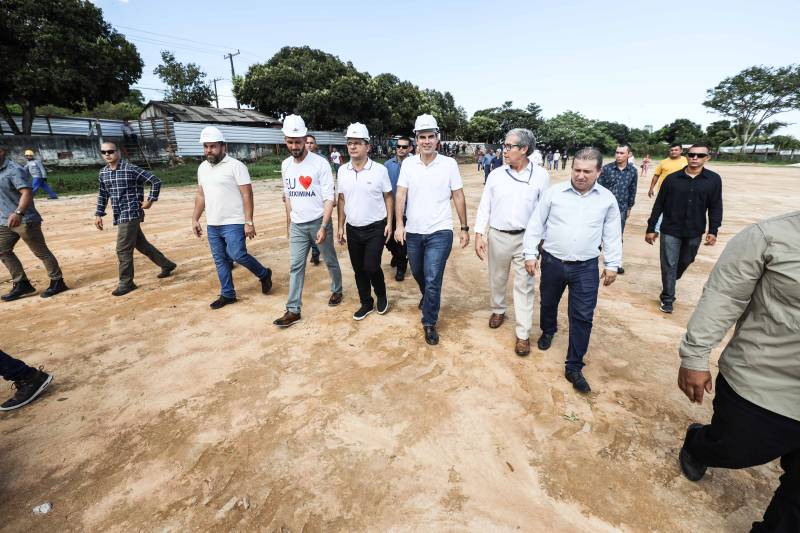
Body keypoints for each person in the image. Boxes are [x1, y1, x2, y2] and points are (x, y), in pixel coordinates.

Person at [676, 211, 800, 532]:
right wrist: (695, 355)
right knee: (733, 448)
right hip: (763, 383)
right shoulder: (768, 237)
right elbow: (724, 296)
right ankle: (698, 443)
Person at [523, 147, 622, 394]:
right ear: (571, 169)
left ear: (599, 171)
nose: (580, 175)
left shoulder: (607, 199)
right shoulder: (554, 194)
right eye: (577, 170)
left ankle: (574, 365)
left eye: (587, 171)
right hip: (553, 262)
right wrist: (530, 253)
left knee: (582, 316)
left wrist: (611, 264)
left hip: (586, 267)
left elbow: (612, 234)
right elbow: (536, 224)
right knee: (548, 302)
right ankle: (548, 330)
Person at [395, 114, 469, 345]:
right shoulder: (408, 164)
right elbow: (401, 194)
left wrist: (464, 227)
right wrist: (399, 224)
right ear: (417, 140)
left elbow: (457, 195)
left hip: (440, 230)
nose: (427, 141)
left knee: (433, 276)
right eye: (422, 137)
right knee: (418, 272)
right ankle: (428, 297)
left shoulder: (449, 164)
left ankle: (429, 322)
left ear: (437, 139)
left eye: (431, 136)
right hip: (414, 231)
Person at [475, 128, 550, 356]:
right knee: (497, 278)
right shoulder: (496, 174)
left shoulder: (541, 176)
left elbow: (544, 212)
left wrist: (541, 243)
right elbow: (485, 204)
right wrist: (480, 233)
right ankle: (498, 309)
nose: (504, 150)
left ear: (524, 149)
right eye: (504, 146)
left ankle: (523, 333)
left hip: (526, 239)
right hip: (498, 235)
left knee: (525, 285)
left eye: (509, 147)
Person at [192, 126, 272, 309]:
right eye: (205, 146)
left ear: (223, 146)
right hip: (213, 223)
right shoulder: (202, 168)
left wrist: (249, 222)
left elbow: (247, 195)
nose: (208, 150)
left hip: (234, 221)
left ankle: (264, 274)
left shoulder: (236, 166)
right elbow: (201, 196)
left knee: (237, 254)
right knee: (220, 259)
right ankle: (228, 294)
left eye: (212, 146)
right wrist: (195, 218)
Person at [273, 115, 343, 328]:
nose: (294, 146)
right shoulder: (285, 165)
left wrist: (323, 225)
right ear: (285, 140)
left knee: (329, 259)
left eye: (298, 141)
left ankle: (337, 290)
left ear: (305, 139)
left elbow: (329, 197)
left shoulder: (320, 164)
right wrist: (288, 224)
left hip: (318, 222)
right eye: (290, 142)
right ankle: (293, 309)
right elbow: (288, 197)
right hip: (297, 225)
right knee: (295, 266)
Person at [645, 143, 722, 314]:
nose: (695, 158)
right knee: (669, 264)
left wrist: (713, 230)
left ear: (707, 158)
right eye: (691, 154)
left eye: (700, 155)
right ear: (686, 156)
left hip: (695, 230)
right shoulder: (672, 179)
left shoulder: (713, 180)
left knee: (686, 260)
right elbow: (659, 205)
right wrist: (651, 227)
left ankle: (672, 278)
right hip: (670, 229)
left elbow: (716, 206)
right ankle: (668, 298)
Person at [95, 141, 176, 296]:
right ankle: (167, 265)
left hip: (131, 212)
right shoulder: (103, 173)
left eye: (110, 151)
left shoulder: (131, 169)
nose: (107, 155)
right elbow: (103, 195)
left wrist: (150, 200)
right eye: (104, 152)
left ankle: (126, 283)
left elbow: (155, 180)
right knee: (141, 244)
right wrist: (98, 214)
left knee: (123, 248)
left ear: (118, 152)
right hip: (119, 213)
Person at [336, 123, 394, 320]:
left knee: (371, 266)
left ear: (367, 146)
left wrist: (390, 222)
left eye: (357, 143)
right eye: (350, 143)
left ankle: (381, 294)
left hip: (376, 227)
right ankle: (366, 303)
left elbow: (388, 196)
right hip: (353, 228)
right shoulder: (342, 171)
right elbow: (342, 199)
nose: (353, 147)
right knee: (358, 269)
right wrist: (340, 227)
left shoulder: (379, 170)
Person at [0, 146, 69, 301]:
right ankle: (21, 283)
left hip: (24, 219)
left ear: (2, 152)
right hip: (4, 221)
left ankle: (58, 282)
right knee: (3, 250)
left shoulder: (14, 170)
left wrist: (18, 212)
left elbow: (27, 192)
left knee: (41, 252)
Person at [598, 144, 638, 275]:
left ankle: (616, 262)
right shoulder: (606, 169)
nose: (618, 155)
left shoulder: (632, 171)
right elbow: (598, 188)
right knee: (597, 234)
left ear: (628, 154)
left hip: (620, 208)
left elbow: (632, 190)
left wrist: (629, 207)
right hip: (602, 207)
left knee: (617, 235)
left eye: (622, 153)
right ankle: (591, 258)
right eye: (617, 152)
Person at [384, 136, 412, 281]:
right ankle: (396, 254)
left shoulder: (415, 164)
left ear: (410, 148)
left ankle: (401, 267)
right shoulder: (387, 165)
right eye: (398, 146)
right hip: (390, 210)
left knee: (402, 241)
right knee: (387, 239)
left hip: (409, 211)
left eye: (404, 147)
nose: (400, 149)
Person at [304, 135, 323, 266]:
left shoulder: (322, 161)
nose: (309, 145)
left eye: (312, 143)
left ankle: (315, 251)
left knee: (316, 229)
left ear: (315, 145)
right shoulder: (297, 160)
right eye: (307, 143)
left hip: (318, 203)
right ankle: (314, 249)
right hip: (304, 202)